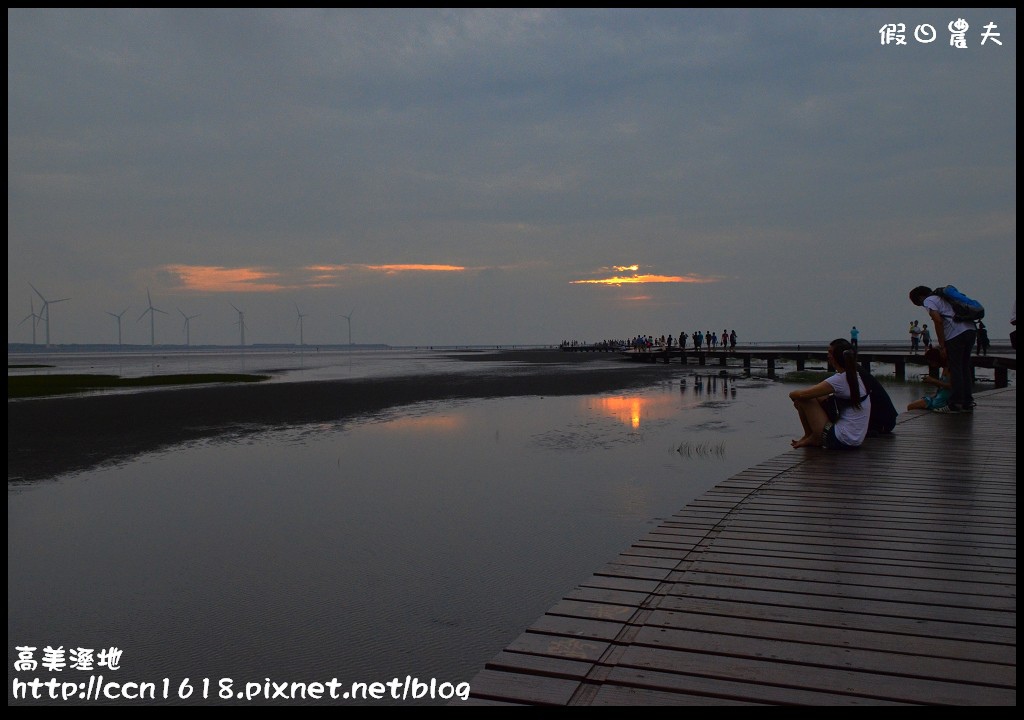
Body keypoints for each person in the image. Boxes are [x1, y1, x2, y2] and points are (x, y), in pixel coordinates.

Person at [789, 338, 871, 450]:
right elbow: (817, 392)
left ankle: (811, 437)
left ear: (836, 357)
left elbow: (801, 395)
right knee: (815, 396)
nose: (828, 355)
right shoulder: (854, 376)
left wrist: (793, 393)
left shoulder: (840, 379)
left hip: (840, 439)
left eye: (830, 352)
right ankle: (811, 436)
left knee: (803, 400)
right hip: (854, 439)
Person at [909, 285, 976, 413]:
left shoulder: (929, 300)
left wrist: (942, 344)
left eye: (920, 304)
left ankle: (955, 404)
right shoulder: (944, 298)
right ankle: (967, 402)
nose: (923, 306)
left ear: (920, 297)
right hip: (970, 330)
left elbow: (938, 320)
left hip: (956, 334)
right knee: (964, 367)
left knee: (955, 368)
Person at [907, 347, 953, 413]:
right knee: (911, 406)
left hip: (941, 401)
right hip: (938, 397)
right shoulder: (944, 368)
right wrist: (932, 382)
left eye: (932, 362)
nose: (932, 365)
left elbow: (951, 386)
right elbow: (942, 386)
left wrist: (933, 380)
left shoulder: (950, 369)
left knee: (911, 407)